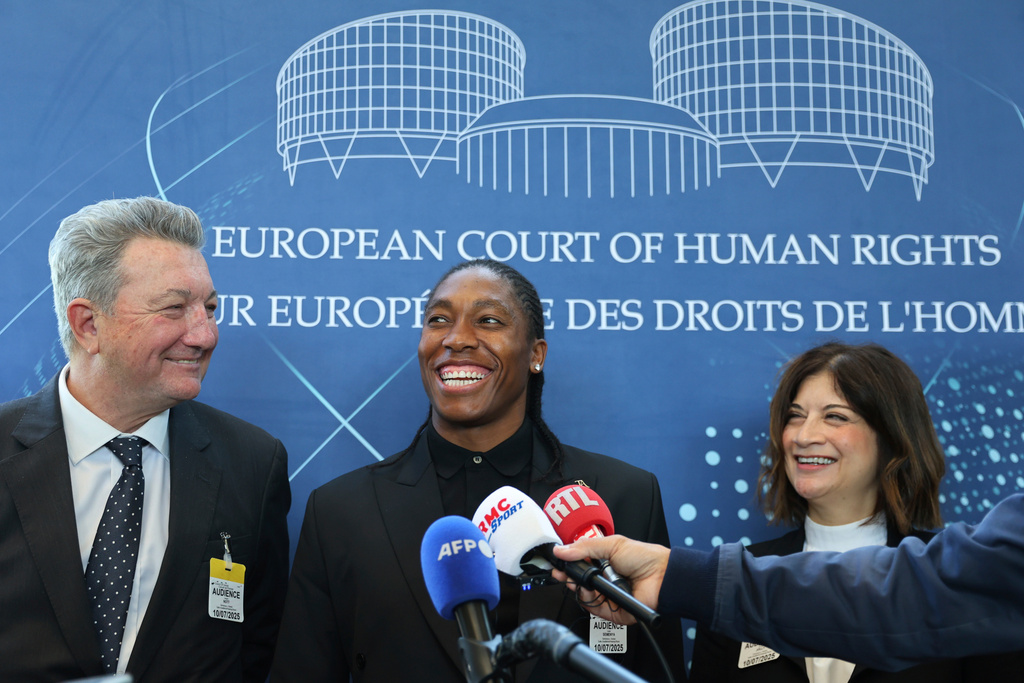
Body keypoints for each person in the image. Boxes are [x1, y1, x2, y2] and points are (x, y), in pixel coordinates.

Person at [270, 259, 687, 682]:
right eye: (438, 320)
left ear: (536, 355)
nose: (457, 339)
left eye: (488, 320)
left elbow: (660, 667)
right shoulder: (340, 511)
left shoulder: (625, 494)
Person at [0, 197, 291, 683]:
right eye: (174, 309)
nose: (205, 334)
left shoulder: (252, 463)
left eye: (210, 308)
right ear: (88, 324)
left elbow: (259, 649)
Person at [688, 342, 1021, 681]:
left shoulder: (957, 581)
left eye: (835, 416)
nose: (804, 436)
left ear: (892, 436)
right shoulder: (732, 581)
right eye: (795, 416)